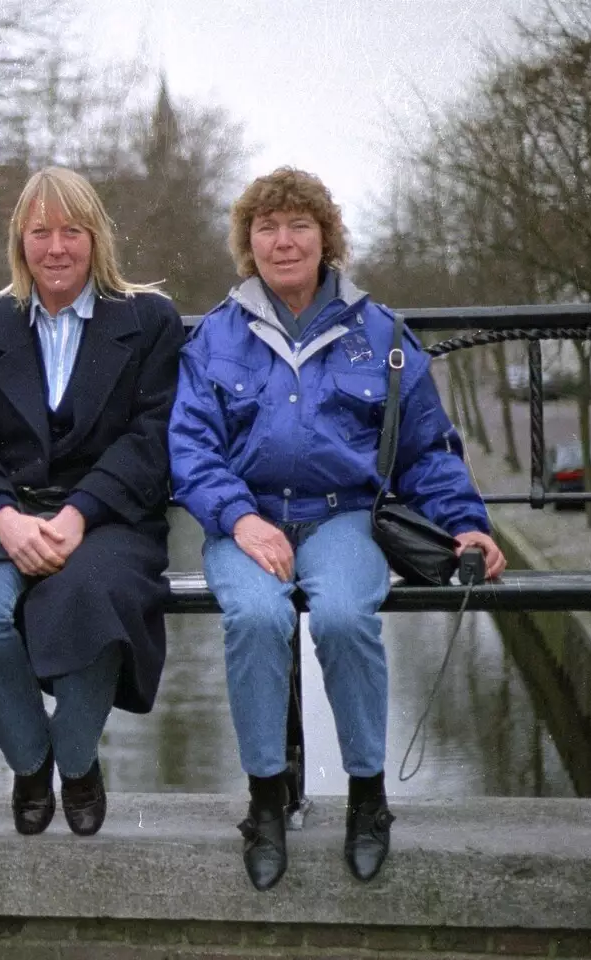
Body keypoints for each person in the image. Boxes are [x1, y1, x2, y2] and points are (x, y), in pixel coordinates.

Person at [169, 167, 506, 890]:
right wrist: (240, 519)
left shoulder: (379, 333)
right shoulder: (218, 336)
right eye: (267, 227)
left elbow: (425, 446)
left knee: (348, 616)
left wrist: (467, 525)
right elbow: (190, 451)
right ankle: (264, 802)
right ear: (247, 242)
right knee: (257, 619)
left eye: (299, 226)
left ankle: (367, 799)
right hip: (247, 519)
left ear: (326, 238)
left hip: (342, 517)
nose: (283, 241)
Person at [0, 167, 183, 838]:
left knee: (88, 599)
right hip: (3, 513)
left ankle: (77, 760)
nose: (56, 247)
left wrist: (78, 514)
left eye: (72, 231)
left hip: (110, 516)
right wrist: (4, 518)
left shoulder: (148, 320)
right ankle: (35, 763)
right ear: (20, 241)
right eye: (41, 232)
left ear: (96, 239)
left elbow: (152, 437)